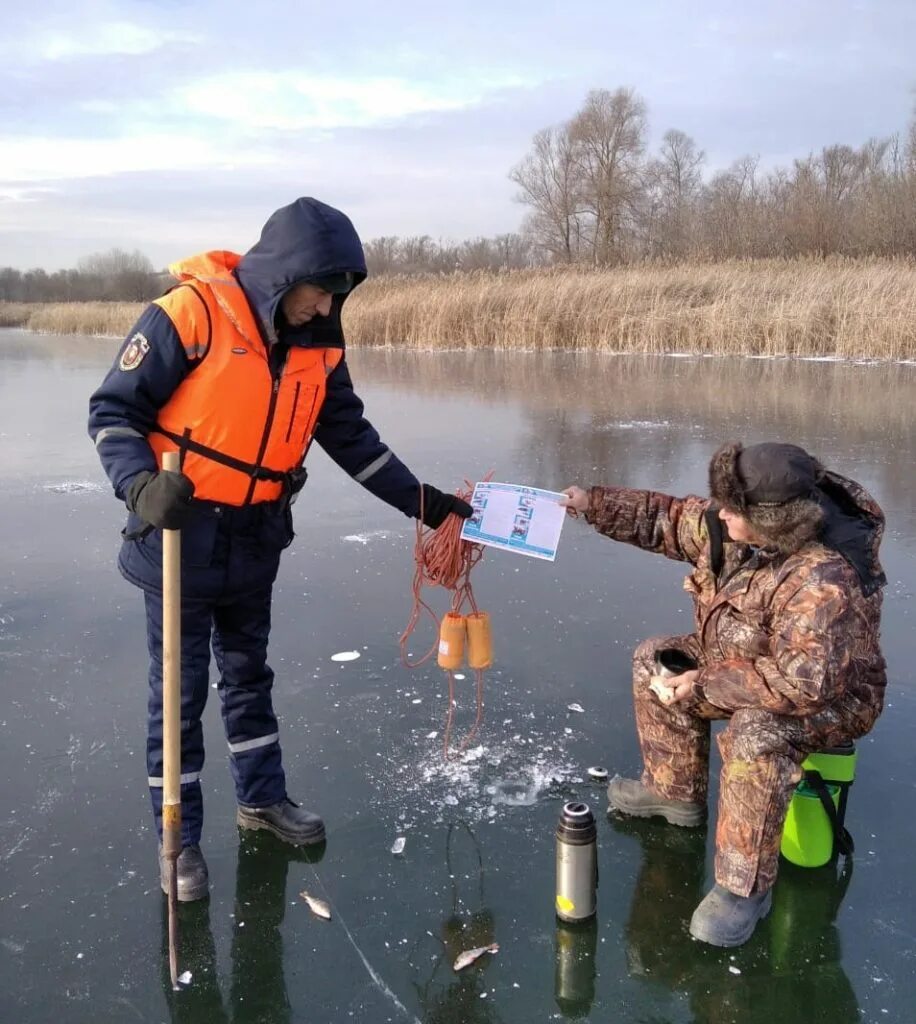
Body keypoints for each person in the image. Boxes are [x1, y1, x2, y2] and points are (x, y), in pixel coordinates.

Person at [88, 197, 472, 901]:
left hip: (256, 539)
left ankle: (262, 799)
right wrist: (139, 485)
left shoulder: (320, 344)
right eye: (318, 288)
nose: (326, 305)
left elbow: (351, 438)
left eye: (338, 294)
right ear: (282, 275)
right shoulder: (189, 314)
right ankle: (180, 843)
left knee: (248, 674)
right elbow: (114, 411)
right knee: (178, 696)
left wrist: (427, 503)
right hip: (177, 535)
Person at [562, 441, 886, 947]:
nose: (722, 513)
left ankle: (743, 888)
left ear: (775, 521)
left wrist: (705, 683)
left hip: (831, 696)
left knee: (757, 732)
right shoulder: (727, 524)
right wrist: (591, 503)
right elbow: (664, 517)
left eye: (735, 508)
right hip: (742, 660)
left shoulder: (825, 578)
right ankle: (673, 792)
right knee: (657, 656)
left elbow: (805, 682)